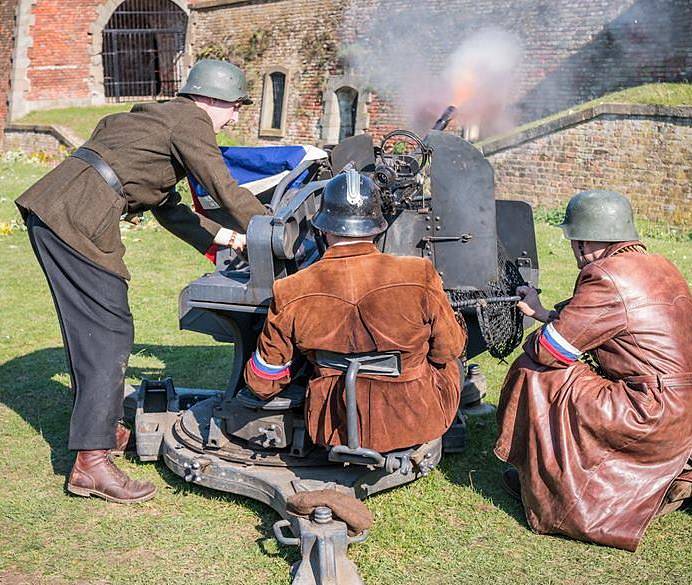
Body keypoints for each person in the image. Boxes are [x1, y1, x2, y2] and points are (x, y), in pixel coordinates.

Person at [15, 59, 267, 504]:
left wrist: (226, 238)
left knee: (91, 329)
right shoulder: (191, 119)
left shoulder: (158, 118)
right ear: (212, 100)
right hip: (79, 216)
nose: (235, 117)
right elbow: (224, 187)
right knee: (108, 332)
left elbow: (166, 205)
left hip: (57, 207)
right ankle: (90, 464)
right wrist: (276, 230)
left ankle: (103, 427)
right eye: (234, 107)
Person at [495, 190, 691, 551]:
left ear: (584, 241)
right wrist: (541, 312)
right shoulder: (657, 264)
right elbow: (601, 324)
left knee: (535, 370)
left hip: (648, 413)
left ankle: (546, 486)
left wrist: (541, 334)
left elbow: (551, 350)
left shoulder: (604, 274)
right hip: (679, 411)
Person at [244, 169, 466, 453]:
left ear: (322, 229)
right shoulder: (419, 272)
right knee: (450, 359)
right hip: (415, 420)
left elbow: (263, 382)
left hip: (333, 428)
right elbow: (447, 351)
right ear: (377, 227)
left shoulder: (290, 289)